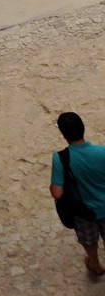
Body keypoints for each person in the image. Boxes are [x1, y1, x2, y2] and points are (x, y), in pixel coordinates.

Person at [50, 112, 105, 276]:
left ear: (63, 134)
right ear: (83, 128)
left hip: (83, 212)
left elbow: (57, 193)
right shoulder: (102, 151)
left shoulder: (60, 159)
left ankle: (95, 264)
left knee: (89, 240)